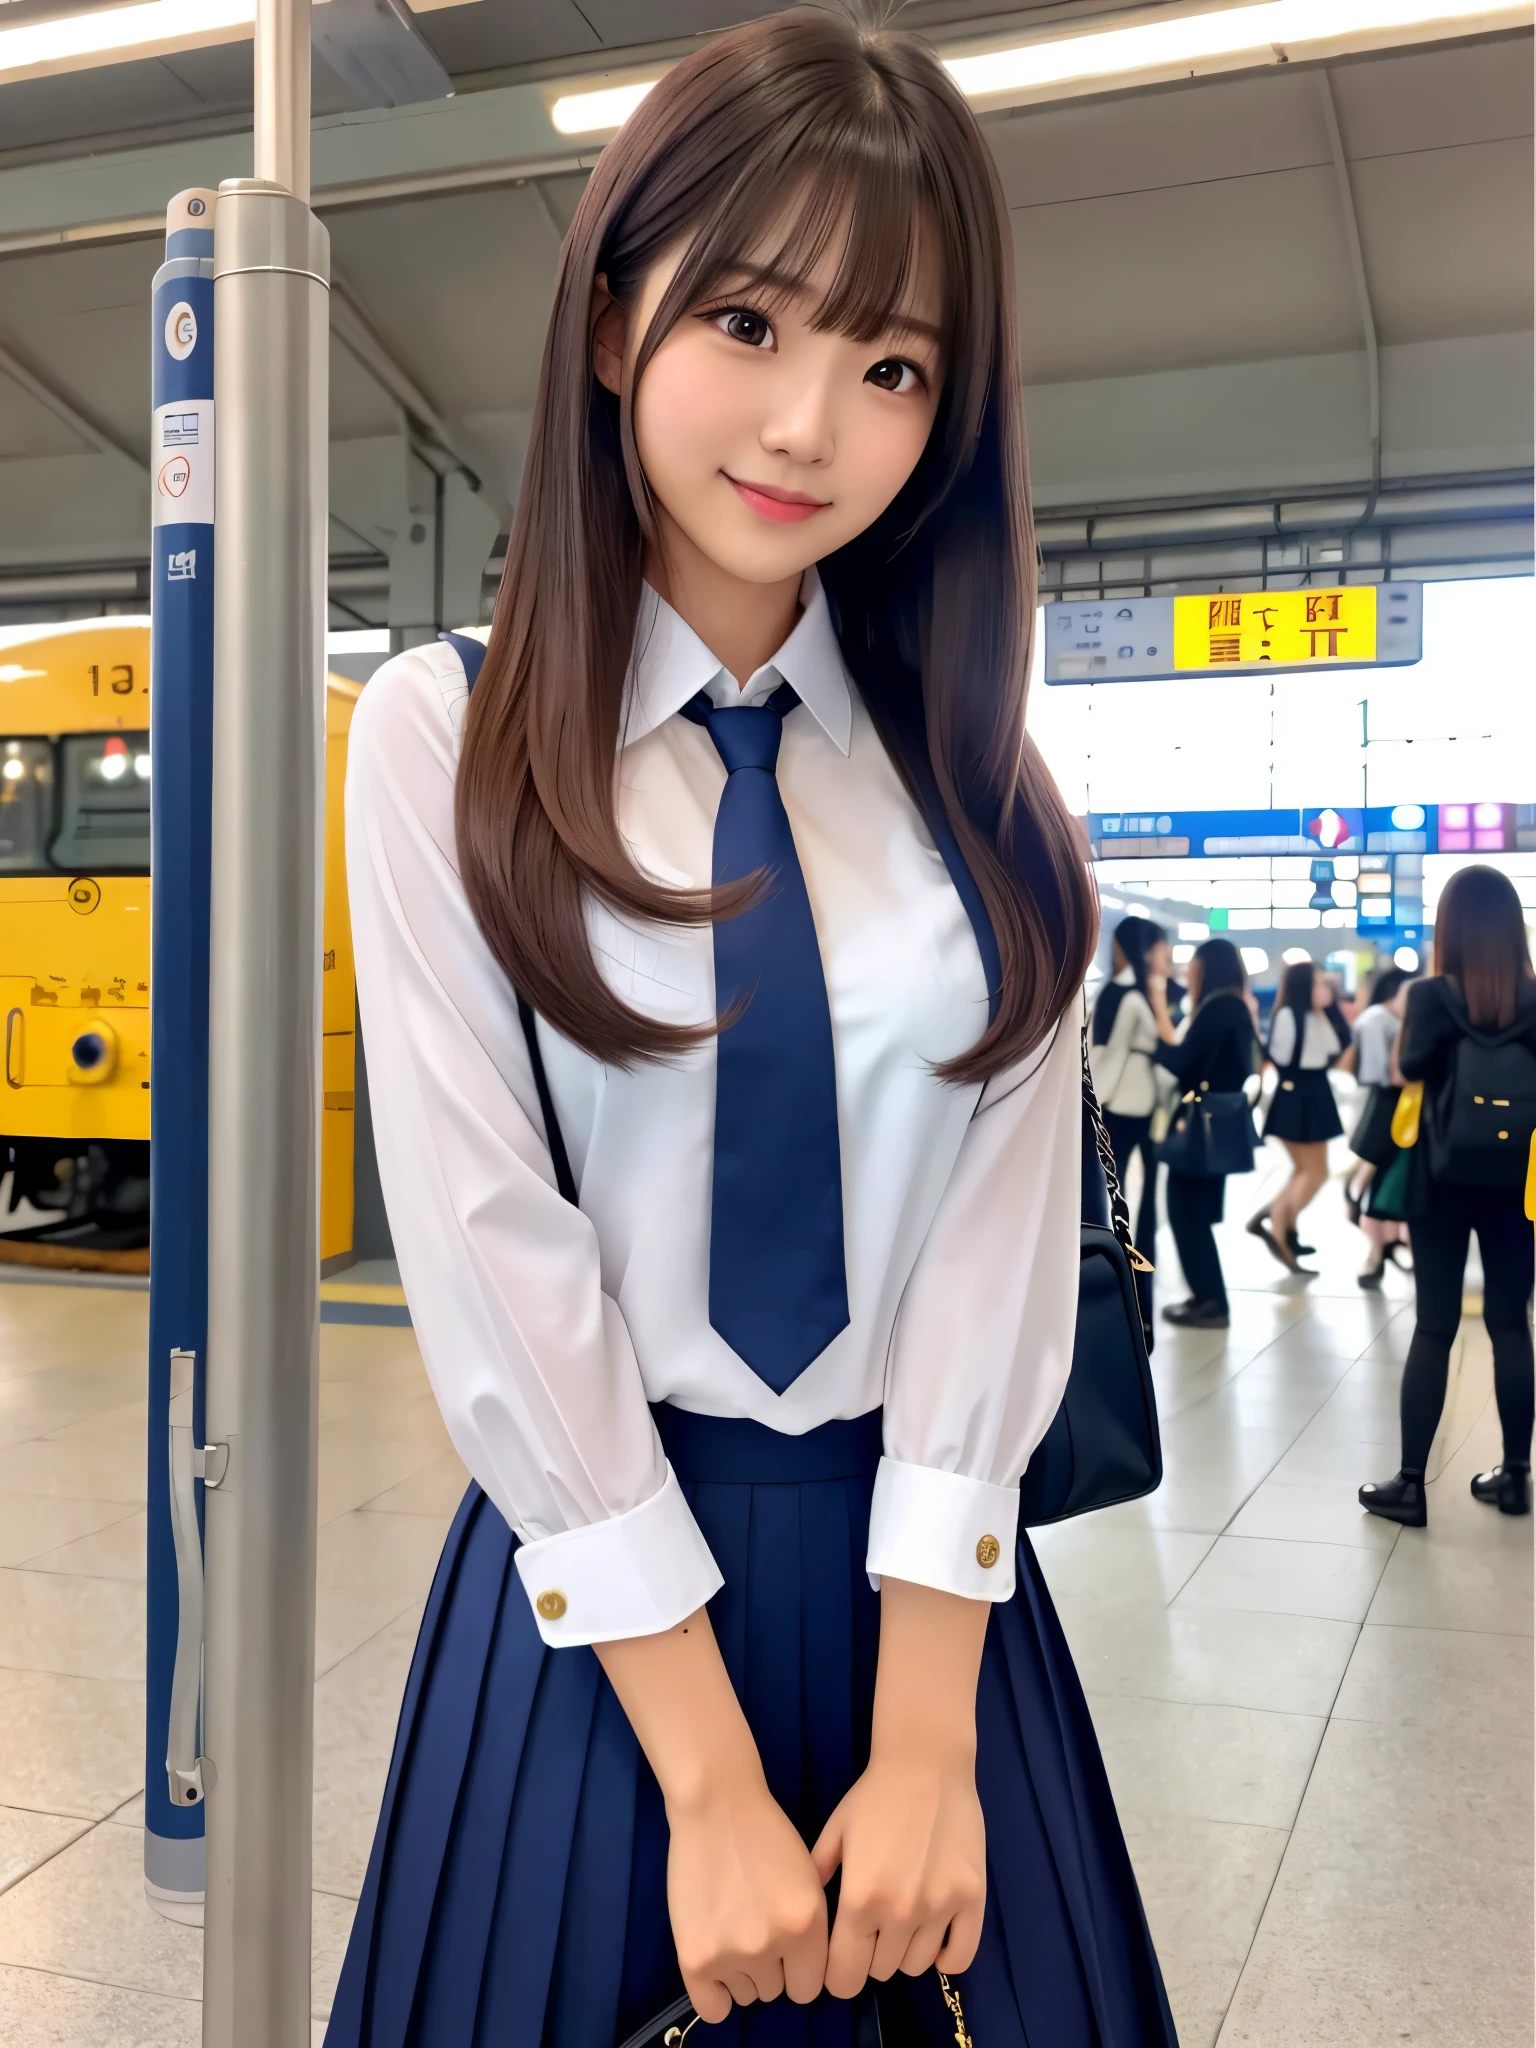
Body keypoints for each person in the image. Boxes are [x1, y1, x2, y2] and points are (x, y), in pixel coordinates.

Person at [327, 13, 1178, 2046]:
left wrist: (931, 1740)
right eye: (748, 321)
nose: (813, 423)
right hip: (599, 1614)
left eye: (893, 366)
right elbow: (497, 1261)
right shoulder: (449, 739)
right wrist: (708, 1784)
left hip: (930, 1617)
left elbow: (991, 1275)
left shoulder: (982, 790)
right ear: (613, 326)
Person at [1360, 866, 1536, 1528]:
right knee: (1511, 1322)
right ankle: (1516, 1477)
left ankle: (1410, 1485)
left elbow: (1411, 1068)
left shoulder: (1432, 995)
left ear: (1452, 929)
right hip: (1520, 1180)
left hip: (1440, 1175)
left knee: (1434, 1325)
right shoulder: (1535, 997)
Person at [1145, 938, 1258, 1330]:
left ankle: (1211, 1303)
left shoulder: (1219, 1007)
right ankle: (1205, 1297)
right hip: (1218, 1124)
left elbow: (1180, 1061)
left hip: (1200, 1126)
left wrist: (1157, 1011)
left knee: (1184, 1212)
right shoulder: (1234, 1005)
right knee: (1193, 1214)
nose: (1187, 975)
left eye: (1192, 968)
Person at [1250, 960, 1352, 1273]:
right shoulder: (1289, 1015)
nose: (1327, 988)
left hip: (1314, 1091)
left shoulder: (1318, 1013)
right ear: (1303, 986)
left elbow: (1340, 1047)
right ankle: (1280, 1231)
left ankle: (1278, 1222)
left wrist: (1329, 1008)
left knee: (1310, 1170)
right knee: (1313, 1172)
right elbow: (1281, 1058)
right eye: (1319, 982)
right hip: (1298, 1093)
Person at [1089, 914, 1170, 1279]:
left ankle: (1130, 1264)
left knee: (1121, 1192)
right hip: (1131, 1104)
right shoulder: (1129, 995)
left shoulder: (1132, 992)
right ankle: (1128, 1264)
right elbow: (1116, 1050)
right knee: (1122, 1193)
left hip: (1130, 1104)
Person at [1339, 965, 1413, 1289]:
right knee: (1380, 1173)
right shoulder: (1377, 1020)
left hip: (1396, 1103)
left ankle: (1383, 1248)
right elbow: (1377, 1073)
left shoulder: (1385, 1019)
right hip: (1389, 1103)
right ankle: (1376, 1251)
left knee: (1387, 1176)